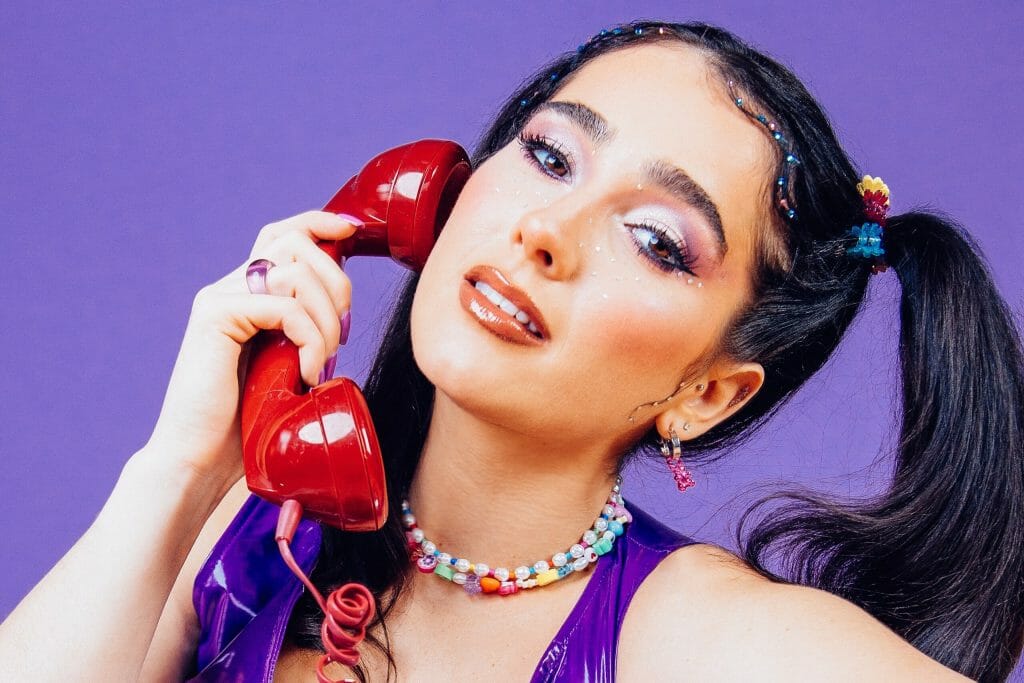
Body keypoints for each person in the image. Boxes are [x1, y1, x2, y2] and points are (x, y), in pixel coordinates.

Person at [1, 19, 1020, 682]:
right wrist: (178, 471)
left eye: (655, 239)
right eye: (549, 154)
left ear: (709, 393)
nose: (545, 230)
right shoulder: (247, 539)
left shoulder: (708, 638)